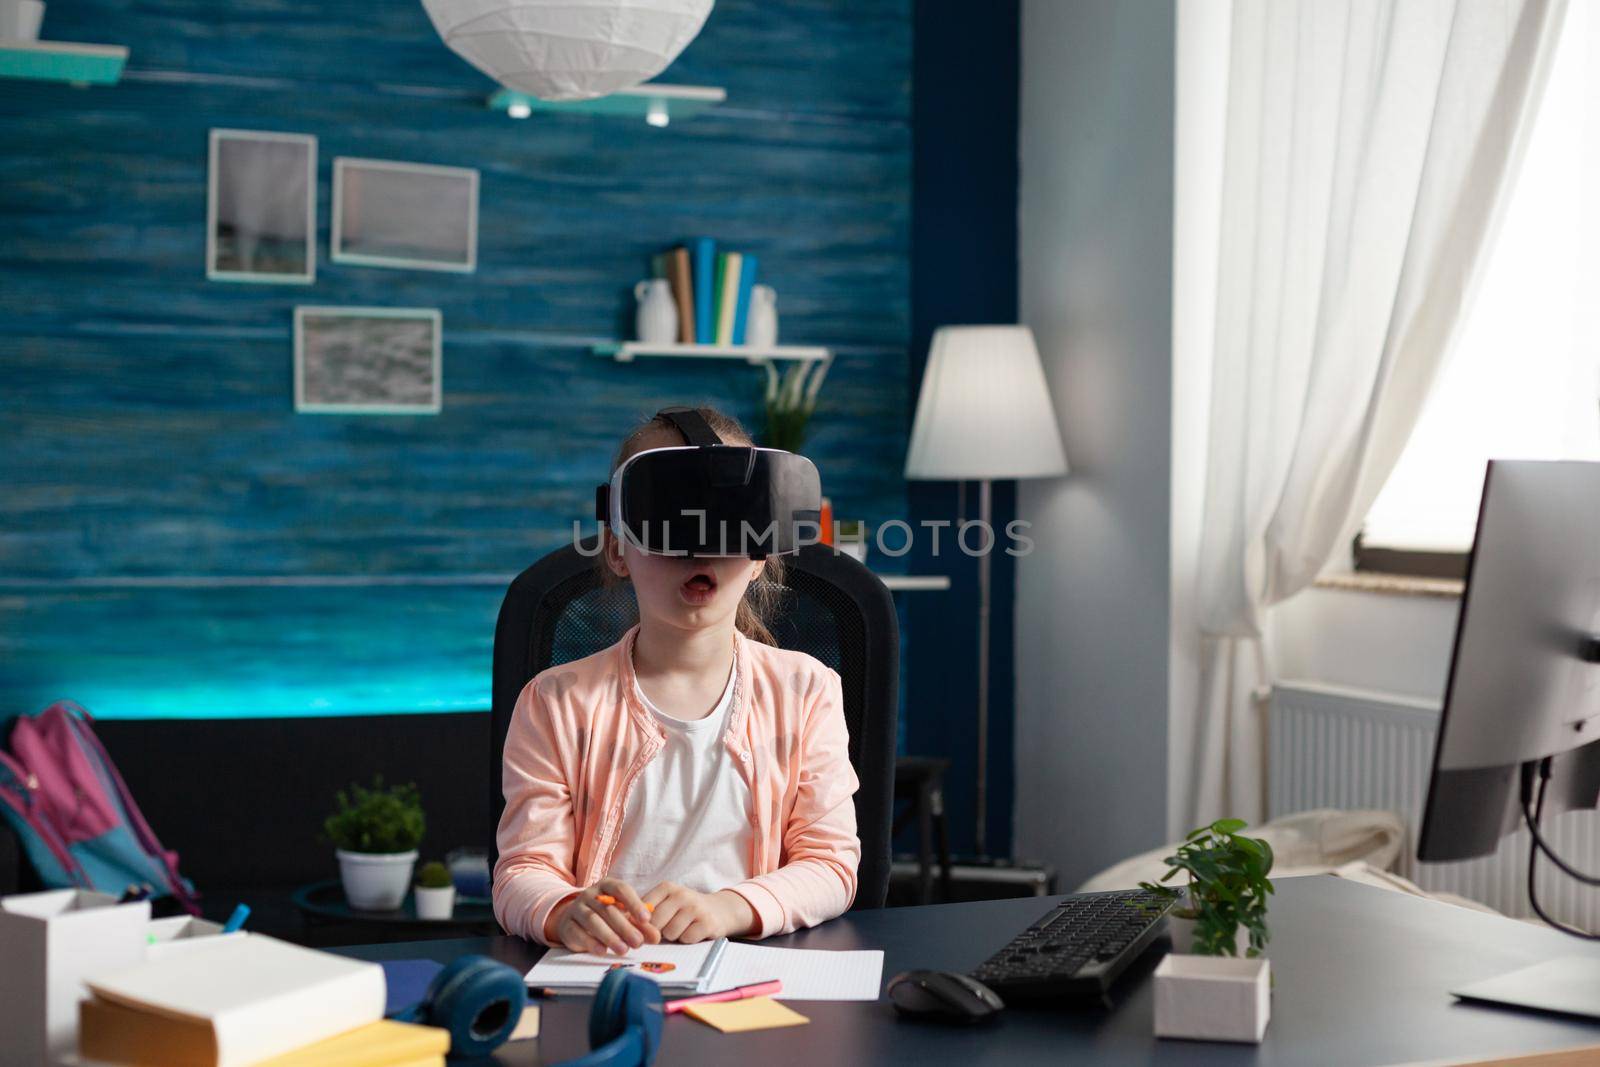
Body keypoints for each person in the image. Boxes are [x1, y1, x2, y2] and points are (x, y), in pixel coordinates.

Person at [493, 406, 860, 953]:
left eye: (729, 528)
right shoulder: (556, 703)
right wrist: (566, 911)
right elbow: (523, 871)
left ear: (760, 556)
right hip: (607, 973)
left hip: (750, 972)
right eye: (671, 524)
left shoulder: (807, 692)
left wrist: (726, 909)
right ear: (618, 550)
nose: (701, 550)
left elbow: (830, 864)